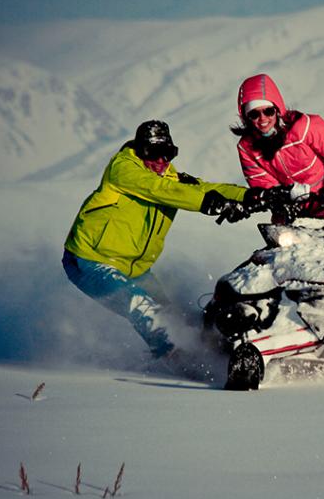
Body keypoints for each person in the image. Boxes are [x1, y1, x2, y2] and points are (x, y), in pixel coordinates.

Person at [62, 119, 259, 360]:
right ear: (139, 150)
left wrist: (252, 196)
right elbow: (161, 190)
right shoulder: (124, 170)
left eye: (166, 154)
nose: (159, 162)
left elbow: (204, 187)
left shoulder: (170, 178)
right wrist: (212, 204)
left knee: (174, 316)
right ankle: (179, 359)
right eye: (151, 153)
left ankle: (214, 350)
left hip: (135, 269)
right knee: (141, 307)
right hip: (90, 261)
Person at [232, 73, 324, 225]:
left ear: (277, 109)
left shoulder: (307, 127)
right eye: (254, 114)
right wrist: (286, 195)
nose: (263, 118)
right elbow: (263, 185)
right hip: (289, 212)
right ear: (246, 118)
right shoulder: (247, 149)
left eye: (268, 111)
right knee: (280, 247)